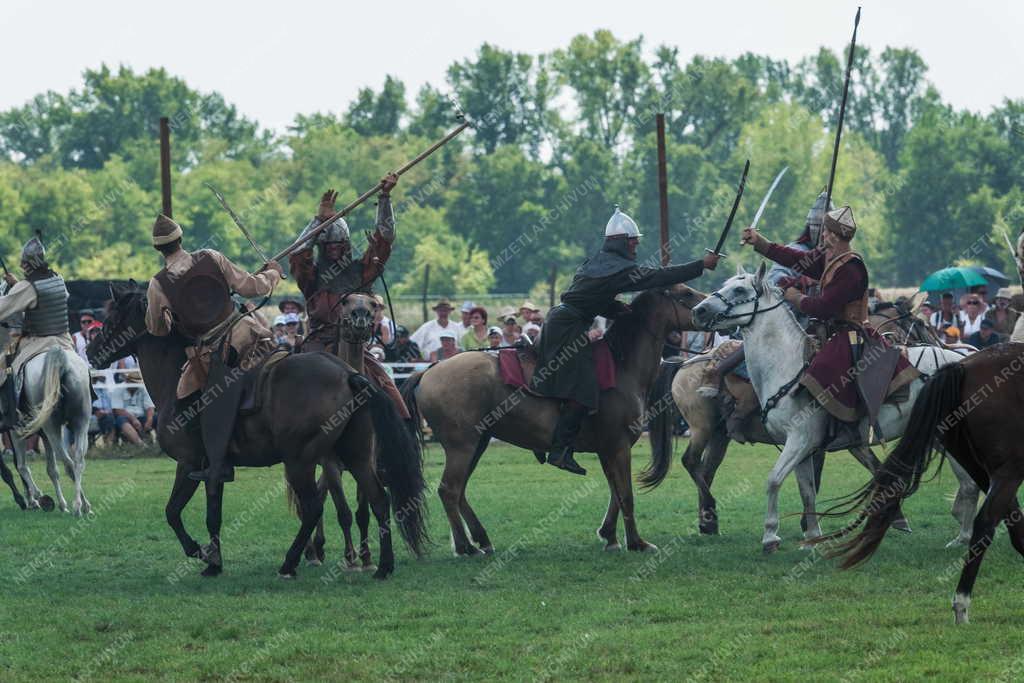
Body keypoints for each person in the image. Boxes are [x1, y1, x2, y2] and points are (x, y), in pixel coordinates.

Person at [532, 206, 720, 475]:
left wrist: (613, 308)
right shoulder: (615, 269)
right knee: (585, 385)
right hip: (568, 327)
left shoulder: (598, 264)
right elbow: (656, 277)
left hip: (565, 321)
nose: (636, 247)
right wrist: (700, 265)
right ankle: (560, 448)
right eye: (633, 242)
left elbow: (588, 297)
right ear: (621, 242)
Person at [739, 205, 918, 427]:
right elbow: (795, 258)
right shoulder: (828, 257)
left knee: (822, 370)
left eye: (826, 232)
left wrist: (794, 295)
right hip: (830, 332)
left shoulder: (851, 269)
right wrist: (760, 242)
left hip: (850, 334)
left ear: (834, 236)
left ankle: (839, 426)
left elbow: (823, 308)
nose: (822, 235)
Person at [145, 213, 283, 483]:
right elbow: (250, 287)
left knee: (187, 401)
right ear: (181, 239)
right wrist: (273, 273)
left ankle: (214, 460)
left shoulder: (157, 284)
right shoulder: (211, 256)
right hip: (250, 333)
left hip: (215, 353)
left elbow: (156, 330)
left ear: (158, 248)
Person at [288, 178, 410, 419]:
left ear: (347, 245)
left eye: (339, 245)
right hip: (317, 346)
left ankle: (400, 431)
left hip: (354, 346)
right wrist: (318, 221)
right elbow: (297, 252)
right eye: (328, 245)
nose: (334, 250)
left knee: (388, 391)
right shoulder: (310, 277)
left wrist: (385, 198)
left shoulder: (361, 272)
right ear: (321, 247)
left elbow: (385, 238)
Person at [0, 236, 76, 430]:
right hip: (65, 342)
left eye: (23, 263)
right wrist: (17, 284)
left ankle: (13, 414)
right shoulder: (57, 279)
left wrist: (14, 288)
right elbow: (45, 300)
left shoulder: (26, 287)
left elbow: (4, 308)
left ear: (26, 264)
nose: (21, 265)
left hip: (38, 342)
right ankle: (89, 395)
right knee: (80, 367)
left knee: (8, 368)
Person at [111, 369, 156, 446]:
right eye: (134, 383)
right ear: (127, 381)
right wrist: (133, 419)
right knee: (121, 420)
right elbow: (117, 410)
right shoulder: (118, 389)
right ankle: (141, 445)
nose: (136, 385)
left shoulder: (143, 389)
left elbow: (150, 407)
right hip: (125, 417)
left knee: (158, 418)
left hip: (141, 416)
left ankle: (163, 445)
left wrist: (149, 419)